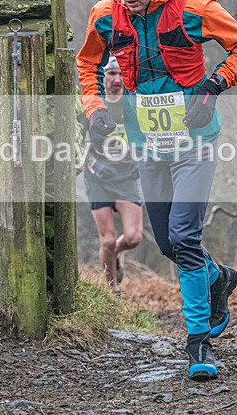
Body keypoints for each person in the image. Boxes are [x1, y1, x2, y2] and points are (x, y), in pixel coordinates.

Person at [76, 0, 237, 381]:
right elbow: (86, 65)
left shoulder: (195, 8)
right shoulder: (104, 15)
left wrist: (213, 86)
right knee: (168, 243)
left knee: (183, 232)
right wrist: (95, 109)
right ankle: (218, 277)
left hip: (195, 143)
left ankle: (198, 341)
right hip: (147, 146)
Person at [82, 55, 144, 293]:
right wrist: (93, 164)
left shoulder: (134, 102)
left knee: (133, 237)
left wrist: (143, 159)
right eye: (111, 73)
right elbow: (73, 141)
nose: (117, 79)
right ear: (103, 76)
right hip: (98, 176)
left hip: (127, 175)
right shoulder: (91, 103)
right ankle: (112, 292)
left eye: (121, 74)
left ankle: (117, 254)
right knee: (107, 240)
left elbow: (148, 136)